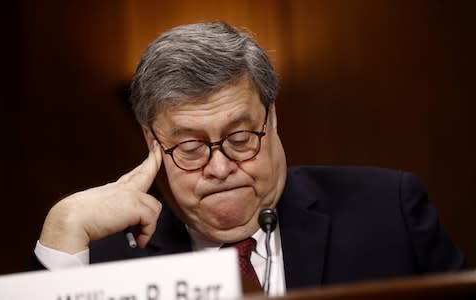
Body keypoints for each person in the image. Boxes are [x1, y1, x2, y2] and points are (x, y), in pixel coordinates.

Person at [29, 22, 464, 296]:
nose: (219, 169)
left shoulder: (389, 211)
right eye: (191, 148)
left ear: (271, 119)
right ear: (152, 144)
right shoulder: (99, 261)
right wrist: (62, 233)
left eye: (239, 138)